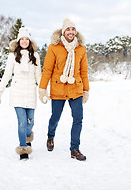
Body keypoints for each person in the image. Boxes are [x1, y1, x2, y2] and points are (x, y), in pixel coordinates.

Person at [38, 18, 90, 161]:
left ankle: (75, 149)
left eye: (73, 29)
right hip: (58, 89)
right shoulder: (54, 47)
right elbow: (47, 70)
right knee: (55, 117)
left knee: (78, 119)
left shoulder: (81, 49)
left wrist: (86, 90)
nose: (71, 32)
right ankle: (50, 136)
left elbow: (84, 72)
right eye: (68, 29)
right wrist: (42, 89)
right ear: (63, 31)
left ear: (75, 32)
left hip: (76, 89)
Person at [0, 28, 41, 160]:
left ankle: (27, 138)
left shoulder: (35, 56)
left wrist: (43, 91)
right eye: (22, 39)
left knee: (30, 122)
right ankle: (23, 149)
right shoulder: (13, 56)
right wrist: (0, 91)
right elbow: (7, 74)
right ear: (18, 41)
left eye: (27, 39)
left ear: (30, 41)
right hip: (17, 93)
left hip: (30, 92)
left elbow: (38, 75)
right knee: (22, 122)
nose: (24, 41)